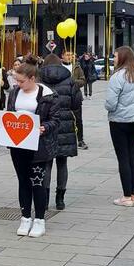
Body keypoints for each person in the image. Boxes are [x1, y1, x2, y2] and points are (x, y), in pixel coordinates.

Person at [5, 57, 62, 238]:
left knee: (38, 182)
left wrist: (46, 127)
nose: (18, 84)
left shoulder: (47, 95)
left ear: (32, 78)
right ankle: (25, 217)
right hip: (18, 143)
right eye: (16, 80)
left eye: (21, 81)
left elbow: (56, 119)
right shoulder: (14, 93)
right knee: (23, 181)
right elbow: (9, 113)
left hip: (39, 146)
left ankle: (39, 219)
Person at [105, 47, 134, 206]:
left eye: (116, 56)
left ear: (123, 58)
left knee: (123, 158)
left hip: (119, 121)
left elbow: (110, 103)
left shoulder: (117, 77)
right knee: (133, 157)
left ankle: (126, 196)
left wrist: (109, 107)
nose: (114, 59)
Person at [39, 54, 82, 210]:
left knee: (46, 163)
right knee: (62, 163)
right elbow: (76, 103)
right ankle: (60, 199)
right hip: (65, 125)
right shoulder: (70, 80)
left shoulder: (39, 80)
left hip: (46, 125)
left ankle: (44, 200)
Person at [62, 50, 88, 150]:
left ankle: (80, 139)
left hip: (75, 97)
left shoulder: (76, 67)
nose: (70, 57)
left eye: (71, 55)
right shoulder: (59, 67)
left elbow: (83, 80)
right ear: (62, 56)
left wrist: (73, 82)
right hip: (63, 97)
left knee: (78, 119)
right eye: (67, 55)